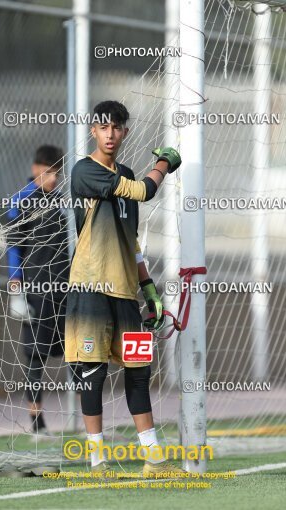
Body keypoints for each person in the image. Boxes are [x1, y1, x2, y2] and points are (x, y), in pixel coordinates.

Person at [65, 100, 184, 477]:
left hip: (126, 293)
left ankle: (155, 460)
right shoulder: (85, 171)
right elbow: (144, 191)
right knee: (93, 374)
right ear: (93, 132)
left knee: (139, 371)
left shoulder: (129, 171)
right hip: (91, 290)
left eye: (116, 127)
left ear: (125, 132)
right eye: (103, 128)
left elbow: (131, 241)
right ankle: (97, 462)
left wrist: (147, 286)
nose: (110, 134)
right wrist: (164, 163)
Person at [6, 145, 69, 437]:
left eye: (57, 172)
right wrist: (16, 286)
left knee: (80, 353)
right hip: (35, 290)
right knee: (34, 358)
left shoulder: (61, 203)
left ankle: (89, 422)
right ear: (36, 169)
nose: (53, 178)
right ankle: (37, 423)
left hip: (65, 290)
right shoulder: (19, 201)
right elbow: (13, 247)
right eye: (48, 171)